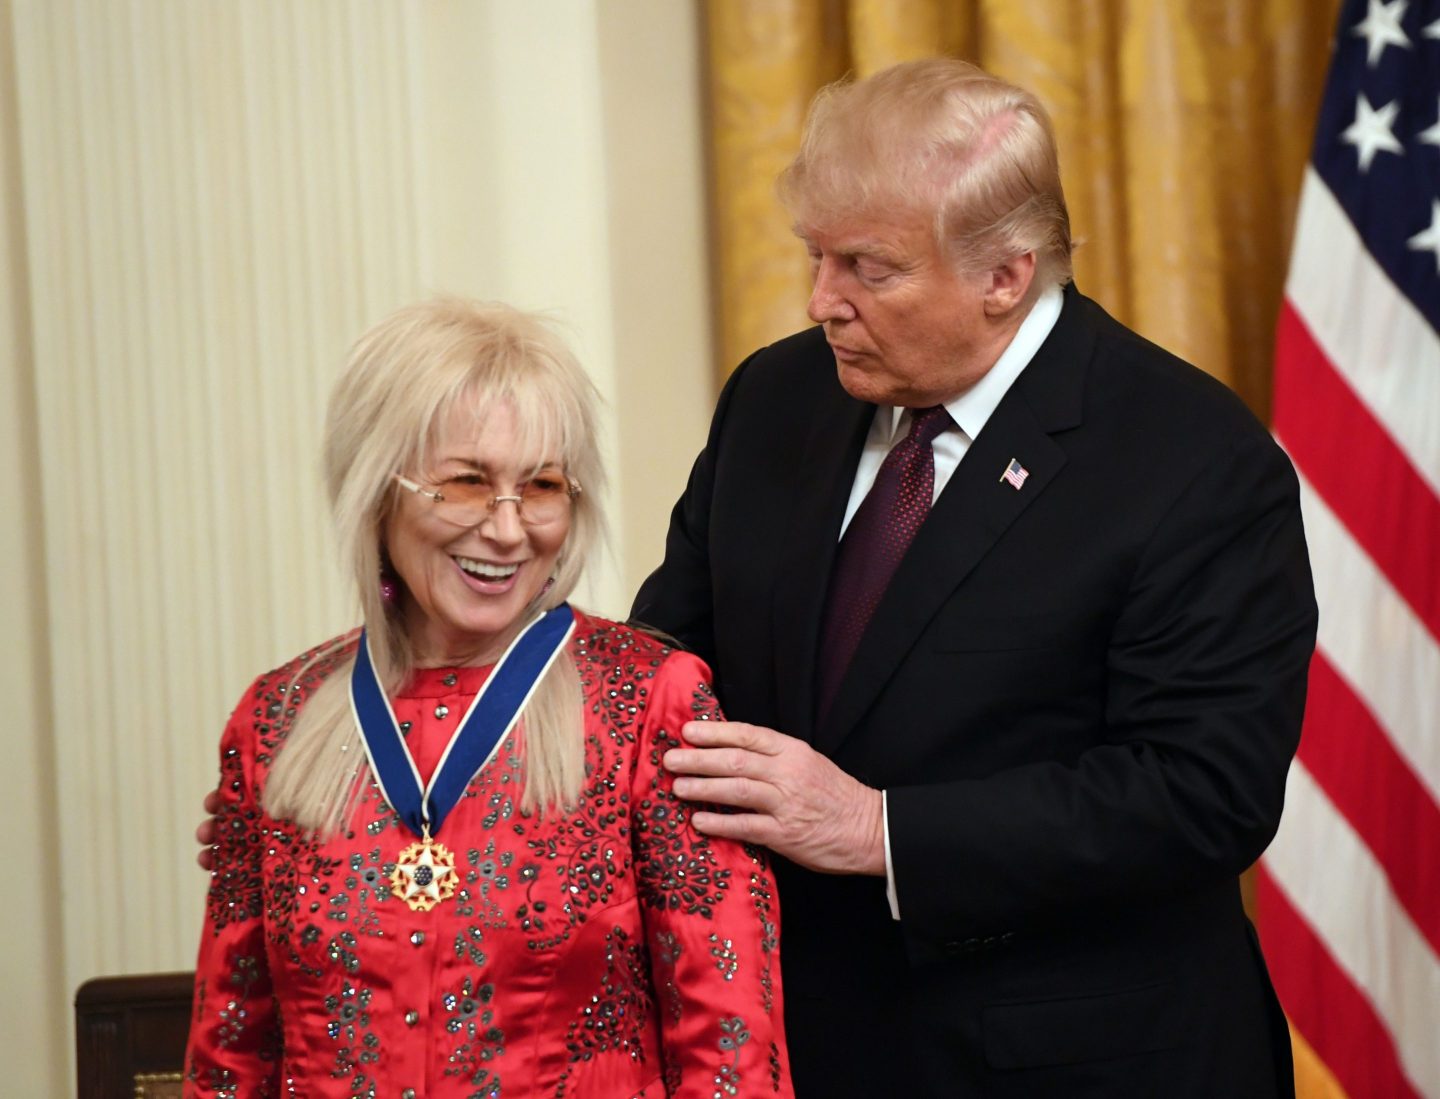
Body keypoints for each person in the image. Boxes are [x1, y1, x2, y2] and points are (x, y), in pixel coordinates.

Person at [632, 60, 1317, 1097]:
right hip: (801, 1048)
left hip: (1073, 1064)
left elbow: (1202, 791)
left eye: (870, 268)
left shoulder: (1192, 457)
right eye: (816, 257)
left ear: (1006, 275)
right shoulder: (777, 399)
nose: (825, 303)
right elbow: (670, 664)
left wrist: (879, 829)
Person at [184, 300, 792, 1098]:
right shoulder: (275, 719)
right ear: (378, 491)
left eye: (540, 485)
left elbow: (731, 1051)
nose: (508, 530)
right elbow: (228, 1059)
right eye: (466, 483)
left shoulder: (651, 702)